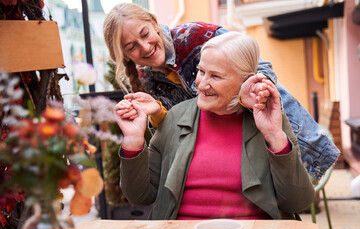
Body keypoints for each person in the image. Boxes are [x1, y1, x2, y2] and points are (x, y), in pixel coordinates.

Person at [103, 3, 340, 179]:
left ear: (154, 24)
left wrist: (251, 91)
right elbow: (175, 132)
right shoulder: (146, 80)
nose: (145, 47)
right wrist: (156, 114)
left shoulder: (196, 37)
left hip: (287, 141)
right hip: (233, 157)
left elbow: (262, 68)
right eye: (132, 46)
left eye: (145, 34)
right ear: (124, 55)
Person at [113, 32, 315, 220]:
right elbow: (141, 196)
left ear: (246, 81)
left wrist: (274, 136)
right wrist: (133, 141)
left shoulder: (269, 117)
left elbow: (297, 202)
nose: (202, 83)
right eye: (201, 71)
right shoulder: (175, 117)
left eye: (215, 76)